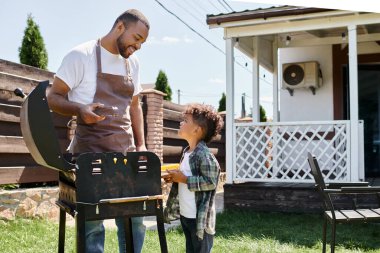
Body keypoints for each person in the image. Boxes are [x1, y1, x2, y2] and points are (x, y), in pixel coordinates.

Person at [47, 9, 149, 253]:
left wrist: (141, 144)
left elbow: (135, 107)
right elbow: (53, 97)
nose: (139, 46)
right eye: (137, 38)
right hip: (89, 154)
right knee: (93, 224)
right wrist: (80, 110)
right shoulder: (81, 56)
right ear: (120, 27)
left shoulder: (132, 64)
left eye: (143, 42)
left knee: (135, 219)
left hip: (124, 154)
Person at [163, 103, 224, 253]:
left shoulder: (204, 155)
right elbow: (187, 174)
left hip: (199, 220)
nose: (181, 123)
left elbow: (210, 182)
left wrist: (183, 179)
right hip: (186, 214)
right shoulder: (187, 152)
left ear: (197, 129)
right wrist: (175, 177)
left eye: (186, 121)